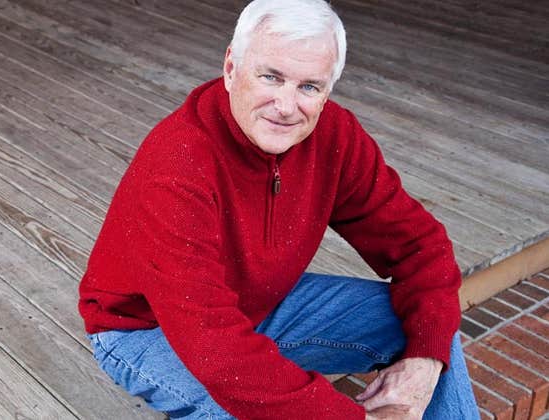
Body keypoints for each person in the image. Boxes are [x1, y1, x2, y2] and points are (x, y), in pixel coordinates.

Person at [78, 0, 479, 418]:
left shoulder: (334, 136)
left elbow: (421, 247)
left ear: (328, 90)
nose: (286, 106)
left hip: (259, 305)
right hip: (145, 330)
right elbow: (214, 348)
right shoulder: (177, 166)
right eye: (271, 77)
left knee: (430, 324)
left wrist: (423, 364)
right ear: (231, 68)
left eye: (310, 87)